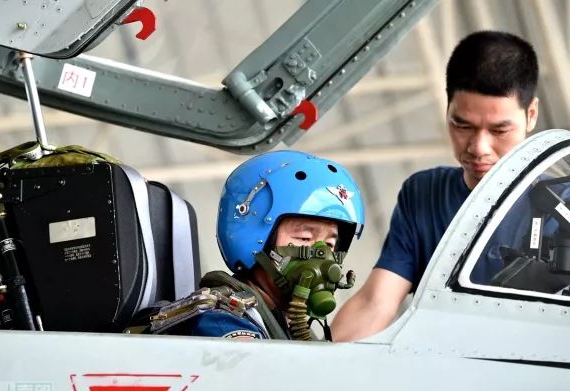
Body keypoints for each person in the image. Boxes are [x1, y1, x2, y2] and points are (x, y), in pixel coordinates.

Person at [331, 30, 540, 342]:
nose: (479, 147)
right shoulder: (424, 194)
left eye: (499, 130)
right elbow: (376, 302)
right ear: (447, 109)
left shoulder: (563, 206)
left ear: (531, 115)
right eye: (462, 125)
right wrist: (317, 360)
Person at [131, 150, 365, 340]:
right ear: (256, 238)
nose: (322, 256)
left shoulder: (291, 329)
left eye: (330, 244)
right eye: (304, 238)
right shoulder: (224, 323)